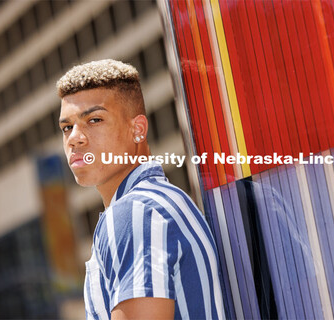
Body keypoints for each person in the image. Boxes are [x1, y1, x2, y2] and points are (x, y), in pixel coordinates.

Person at [56, 59, 225, 320]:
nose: (75, 137)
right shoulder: (158, 202)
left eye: (94, 119)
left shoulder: (136, 213)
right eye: (67, 127)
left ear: (137, 129)